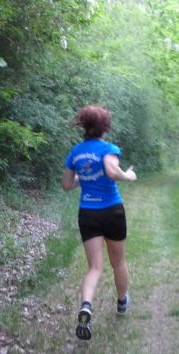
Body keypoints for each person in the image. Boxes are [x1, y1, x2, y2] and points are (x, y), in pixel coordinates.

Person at [62, 104, 137, 340]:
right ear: (105, 127)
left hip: (88, 213)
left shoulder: (75, 152)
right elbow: (112, 171)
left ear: (84, 126)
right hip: (112, 211)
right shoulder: (108, 149)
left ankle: (86, 306)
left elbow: (67, 185)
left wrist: (83, 177)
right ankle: (122, 302)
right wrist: (128, 175)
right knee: (118, 262)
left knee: (94, 267)